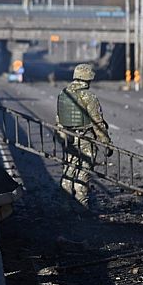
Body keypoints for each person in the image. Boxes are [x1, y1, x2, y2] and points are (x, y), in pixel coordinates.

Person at [56, 63, 112, 207]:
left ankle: (64, 206)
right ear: (87, 78)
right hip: (85, 138)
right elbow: (97, 122)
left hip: (68, 138)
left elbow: (59, 118)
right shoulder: (88, 96)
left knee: (69, 169)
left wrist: (61, 137)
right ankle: (81, 207)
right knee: (83, 171)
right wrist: (106, 142)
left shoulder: (64, 93)